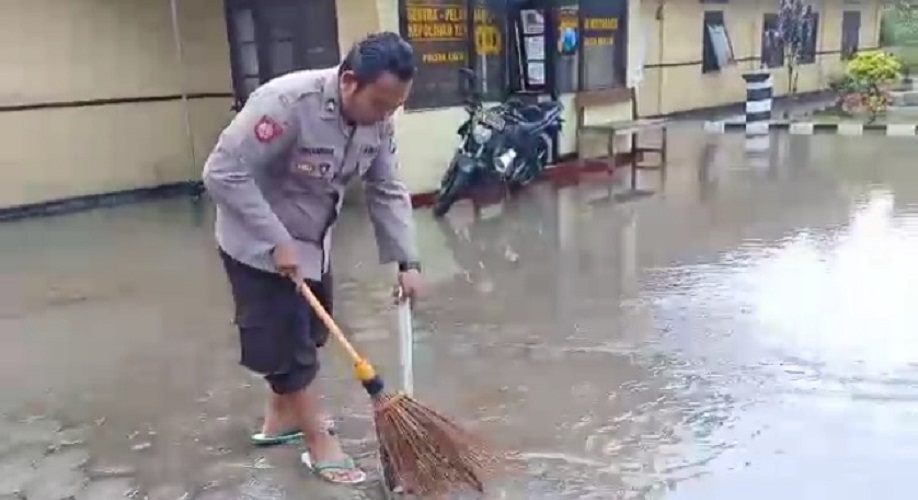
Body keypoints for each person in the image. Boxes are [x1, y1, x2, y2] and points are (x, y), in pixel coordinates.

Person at [202, 32, 423, 485]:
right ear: (349, 82)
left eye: (395, 107)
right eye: (380, 104)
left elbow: (385, 187)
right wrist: (274, 238)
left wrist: (408, 261)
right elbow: (221, 172)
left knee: (313, 333)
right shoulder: (286, 104)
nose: (386, 116)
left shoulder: (378, 120)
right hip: (256, 244)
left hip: (312, 243)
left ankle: (281, 419)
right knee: (291, 350)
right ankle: (319, 442)